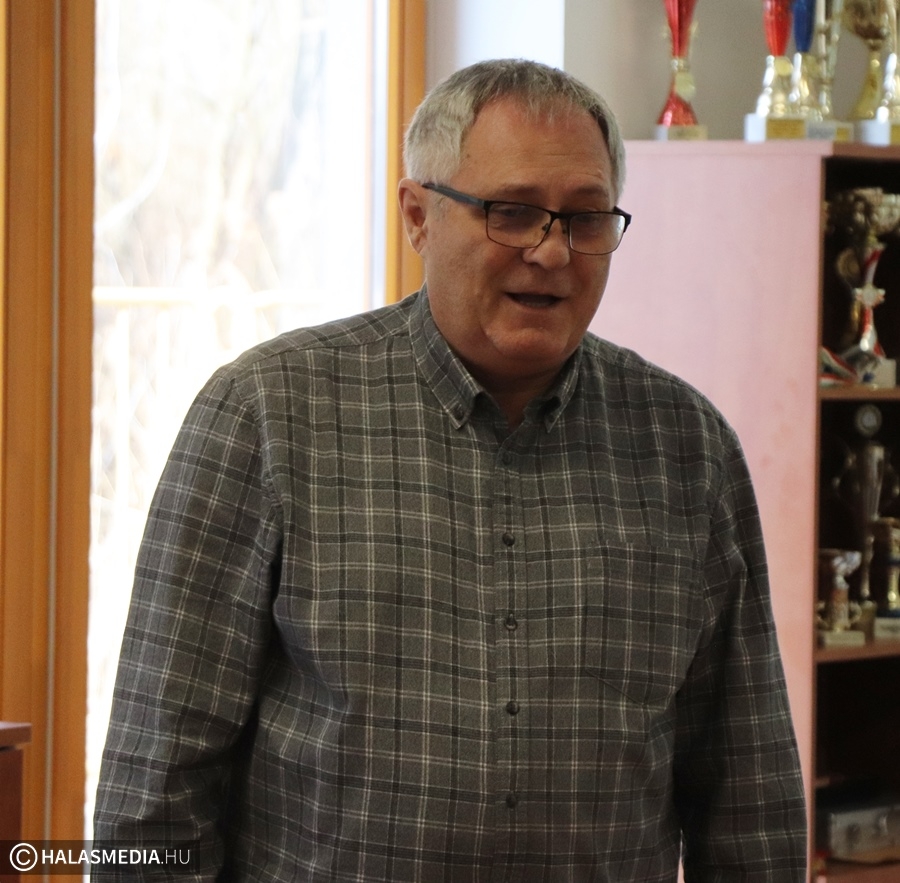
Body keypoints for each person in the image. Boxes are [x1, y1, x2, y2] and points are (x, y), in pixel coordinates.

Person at [93, 58, 807, 880]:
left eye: (585, 218)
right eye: (513, 212)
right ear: (417, 215)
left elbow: (750, 802)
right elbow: (157, 783)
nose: (552, 252)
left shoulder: (690, 449)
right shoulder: (267, 415)